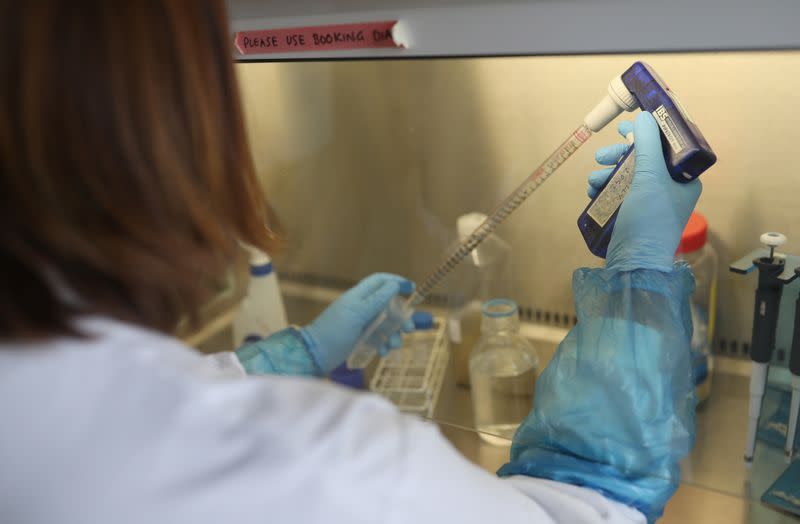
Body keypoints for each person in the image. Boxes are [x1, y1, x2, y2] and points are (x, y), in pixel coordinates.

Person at [0, 2, 699, 524]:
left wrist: (281, 357)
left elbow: (127, 406)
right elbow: (578, 512)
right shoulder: (318, 465)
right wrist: (638, 266)